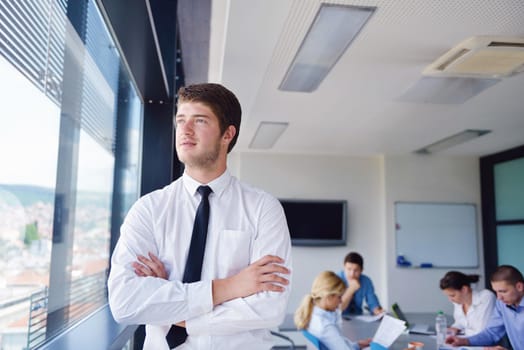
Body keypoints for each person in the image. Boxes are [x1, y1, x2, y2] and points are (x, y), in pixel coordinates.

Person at [107, 83, 292, 350]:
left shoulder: (264, 208)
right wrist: (230, 287)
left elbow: (269, 308)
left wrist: (173, 307)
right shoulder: (148, 209)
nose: (185, 129)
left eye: (200, 120)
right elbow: (125, 302)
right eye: (181, 120)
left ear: (227, 134)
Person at [446, 265, 524, 350]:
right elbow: (492, 333)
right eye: (496, 292)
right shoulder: (502, 304)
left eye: (503, 291)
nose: (499, 297)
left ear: (519, 287)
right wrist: (464, 341)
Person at [294, 271, 371, 350]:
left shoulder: (312, 314)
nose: (341, 301)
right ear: (329, 297)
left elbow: (337, 344)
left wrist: (358, 345)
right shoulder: (325, 326)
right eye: (339, 297)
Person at [439, 271, 495, 336]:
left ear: (464, 289)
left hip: (486, 344)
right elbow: (460, 323)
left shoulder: (486, 297)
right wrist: (455, 328)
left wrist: (463, 330)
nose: (450, 299)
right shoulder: (459, 302)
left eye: (452, 295)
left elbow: (481, 332)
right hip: (468, 343)